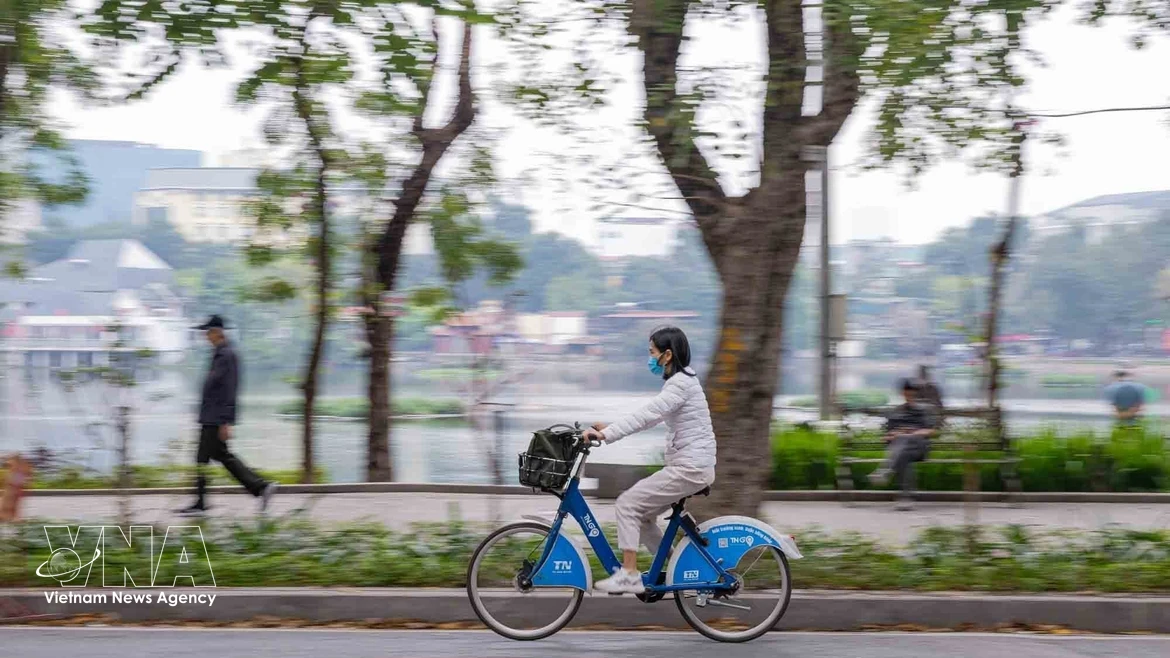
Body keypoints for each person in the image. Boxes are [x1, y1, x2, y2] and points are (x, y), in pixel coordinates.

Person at [583, 326, 716, 595]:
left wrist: (606, 434)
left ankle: (629, 575)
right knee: (642, 516)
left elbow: (646, 416)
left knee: (628, 505)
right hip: (691, 466)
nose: (650, 358)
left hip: (690, 468)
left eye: (652, 352)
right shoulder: (683, 382)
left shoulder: (680, 384)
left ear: (667, 355)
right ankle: (680, 568)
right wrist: (609, 428)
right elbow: (650, 417)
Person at [177, 315, 276, 516]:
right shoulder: (220, 353)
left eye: (208, 332)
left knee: (210, 458)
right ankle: (259, 487)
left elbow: (229, 390)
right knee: (215, 457)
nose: (206, 336)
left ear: (217, 332)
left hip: (215, 418)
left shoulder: (227, 355)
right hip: (210, 417)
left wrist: (226, 422)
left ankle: (259, 487)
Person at [868, 378, 939, 506]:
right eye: (907, 391)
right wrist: (894, 435)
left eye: (912, 391)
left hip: (919, 448)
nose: (909, 393)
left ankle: (885, 470)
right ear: (903, 393)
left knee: (904, 439)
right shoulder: (896, 411)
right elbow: (886, 437)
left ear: (916, 393)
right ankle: (906, 497)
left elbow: (932, 431)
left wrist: (913, 433)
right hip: (900, 450)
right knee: (903, 456)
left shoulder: (925, 410)